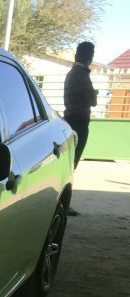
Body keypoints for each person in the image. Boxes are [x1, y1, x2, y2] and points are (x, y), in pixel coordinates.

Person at [63, 41, 98, 216]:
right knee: (72, 163)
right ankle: (64, 203)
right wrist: (94, 94)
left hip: (70, 119)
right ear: (89, 56)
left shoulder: (72, 73)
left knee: (70, 162)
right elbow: (92, 100)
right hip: (79, 122)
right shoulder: (82, 75)